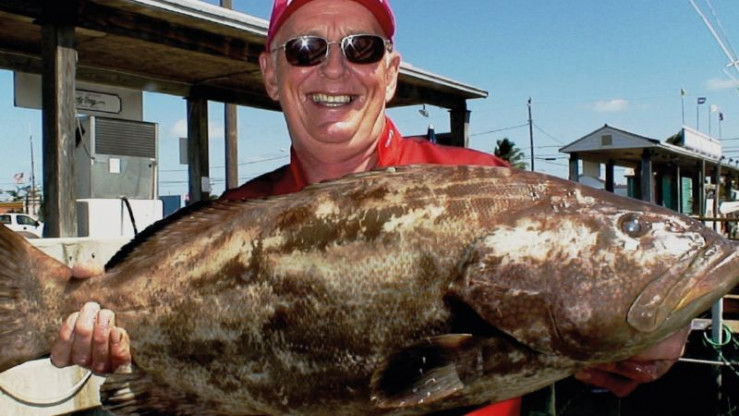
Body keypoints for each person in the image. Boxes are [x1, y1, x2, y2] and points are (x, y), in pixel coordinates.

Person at [50, 1, 691, 415]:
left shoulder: (490, 186)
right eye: (306, 50)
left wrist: (648, 333)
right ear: (271, 74)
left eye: (361, 48)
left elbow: (577, 342)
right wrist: (109, 336)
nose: (335, 70)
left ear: (390, 71)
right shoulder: (237, 215)